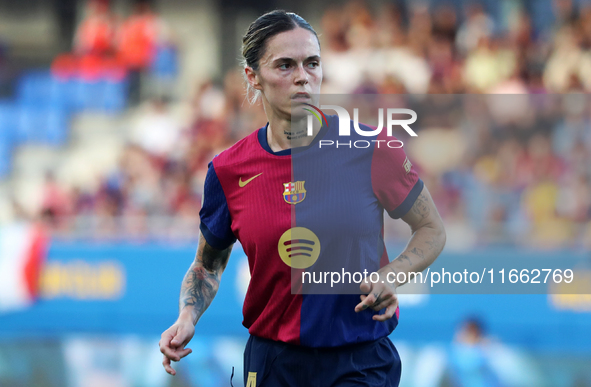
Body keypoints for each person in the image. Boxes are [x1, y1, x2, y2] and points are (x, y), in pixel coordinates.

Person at [159, 10, 446, 386]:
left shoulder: (372, 148)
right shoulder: (229, 171)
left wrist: (393, 274)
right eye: (285, 65)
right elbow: (207, 265)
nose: (303, 77)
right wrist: (187, 316)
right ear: (253, 77)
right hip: (273, 362)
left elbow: (431, 229)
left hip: (360, 361)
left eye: (312, 63)